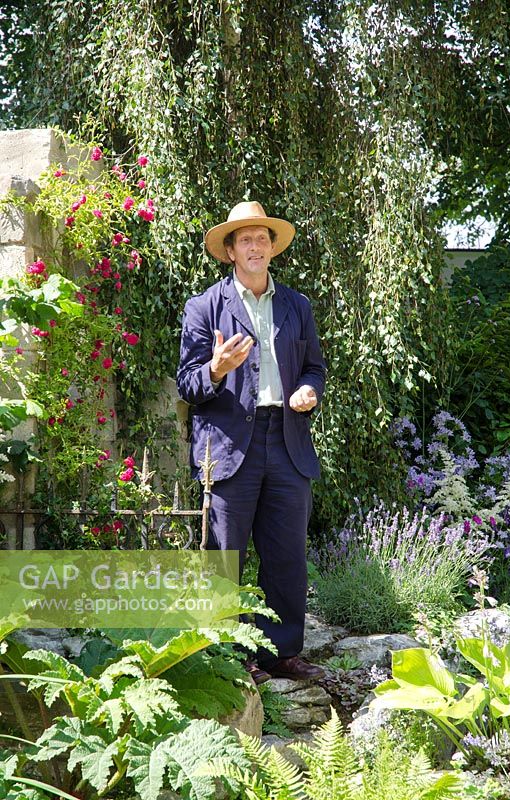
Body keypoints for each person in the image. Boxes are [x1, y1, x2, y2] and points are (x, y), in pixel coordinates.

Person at [177, 201, 326, 684]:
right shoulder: (204, 308)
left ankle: (280, 654)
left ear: (272, 247)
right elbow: (188, 385)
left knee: (286, 556)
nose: (256, 246)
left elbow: (314, 368)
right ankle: (226, 656)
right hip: (227, 445)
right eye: (246, 239)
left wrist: (309, 390)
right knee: (225, 556)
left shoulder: (296, 306)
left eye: (262, 238)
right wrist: (217, 369)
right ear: (230, 251)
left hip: (286, 440)